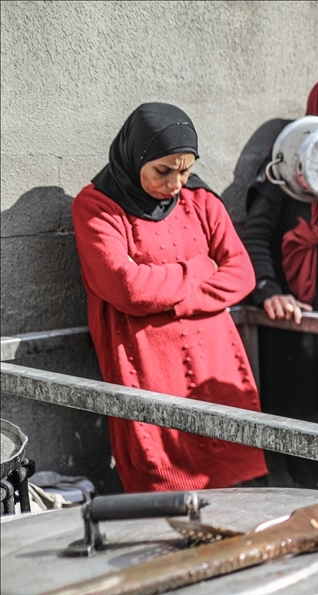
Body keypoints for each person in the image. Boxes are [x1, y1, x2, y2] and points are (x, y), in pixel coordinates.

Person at [72, 103, 267, 492]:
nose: (176, 184)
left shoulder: (201, 200)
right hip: (146, 364)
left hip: (216, 358)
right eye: (163, 170)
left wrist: (172, 299)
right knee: (163, 481)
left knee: (237, 478)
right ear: (135, 156)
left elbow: (242, 273)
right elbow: (127, 288)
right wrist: (199, 268)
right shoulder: (97, 207)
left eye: (186, 171)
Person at [240, 77, 318, 487]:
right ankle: (302, 493)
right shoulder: (283, 168)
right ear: (314, 113)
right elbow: (255, 235)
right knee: (295, 407)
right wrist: (269, 291)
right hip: (289, 317)